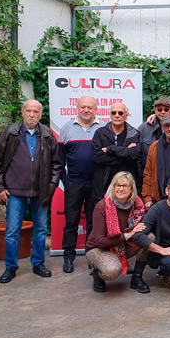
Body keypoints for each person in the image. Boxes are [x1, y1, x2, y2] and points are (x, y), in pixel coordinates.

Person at [0, 100, 62, 283]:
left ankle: (38, 264)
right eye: (28, 111)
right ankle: (10, 267)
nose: (32, 115)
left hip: (41, 191)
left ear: (40, 115)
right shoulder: (11, 133)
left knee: (40, 230)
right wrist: (0, 187)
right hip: (14, 191)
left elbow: (56, 165)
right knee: (12, 231)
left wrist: (51, 188)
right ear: (23, 113)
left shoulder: (46, 134)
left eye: (35, 112)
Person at [85, 171, 170, 293]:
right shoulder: (102, 207)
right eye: (117, 185)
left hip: (121, 245)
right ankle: (97, 274)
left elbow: (143, 230)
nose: (121, 189)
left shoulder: (137, 206)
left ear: (131, 189)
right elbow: (100, 241)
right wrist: (127, 235)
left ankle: (136, 278)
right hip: (97, 249)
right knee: (112, 271)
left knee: (149, 237)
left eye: (125, 185)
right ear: (113, 187)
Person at [57, 95, 102, 273]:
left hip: (95, 183)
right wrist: (65, 179)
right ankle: (68, 257)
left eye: (89, 107)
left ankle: (92, 257)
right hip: (74, 182)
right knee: (71, 222)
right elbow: (59, 158)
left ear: (95, 109)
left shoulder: (103, 128)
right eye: (83, 107)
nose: (86, 110)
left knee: (93, 222)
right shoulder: (67, 128)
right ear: (77, 108)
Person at [91, 102, 141, 201]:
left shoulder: (134, 134)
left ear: (126, 116)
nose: (117, 116)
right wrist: (124, 154)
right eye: (114, 113)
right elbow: (97, 157)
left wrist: (110, 149)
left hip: (127, 187)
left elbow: (133, 155)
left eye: (120, 113)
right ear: (110, 115)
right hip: (103, 186)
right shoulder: (100, 133)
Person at [138, 97, 170, 174]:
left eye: (166, 109)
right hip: (149, 174)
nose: (163, 112)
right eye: (159, 110)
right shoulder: (144, 128)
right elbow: (138, 155)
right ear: (155, 110)